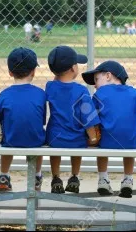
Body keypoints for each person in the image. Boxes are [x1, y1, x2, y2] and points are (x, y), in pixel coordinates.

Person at [82, 60, 136, 198]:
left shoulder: (100, 94)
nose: (96, 86)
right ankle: (128, 179)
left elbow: (92, 119)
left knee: (101, 146)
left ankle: (103, 179)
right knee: (130, 145)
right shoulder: (135, 93)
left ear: (108, 76)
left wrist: (91, 138)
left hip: (107, 142)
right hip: (131, 142)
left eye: (96, 80)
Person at [46, 46, 101, 194]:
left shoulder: (50, 87)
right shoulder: (81, 90)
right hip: (76, 138)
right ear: (72, 68)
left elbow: (56, 82)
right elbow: (88, 119)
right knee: (78, 146)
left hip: (54, 138)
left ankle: (56, 178)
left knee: (54, 151)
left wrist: (57, 74)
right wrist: (93, 138)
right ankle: (74, 177)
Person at [0, 47, 46, 192]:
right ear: (33, 71)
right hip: (34, 141)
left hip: (11, 140)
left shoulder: (4, 94)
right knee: (39, 135)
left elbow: (2, 120)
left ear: (10, 72)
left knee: (7, 135)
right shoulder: (40, 94)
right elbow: (41, 121)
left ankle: (3, 176)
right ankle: (36, 176)